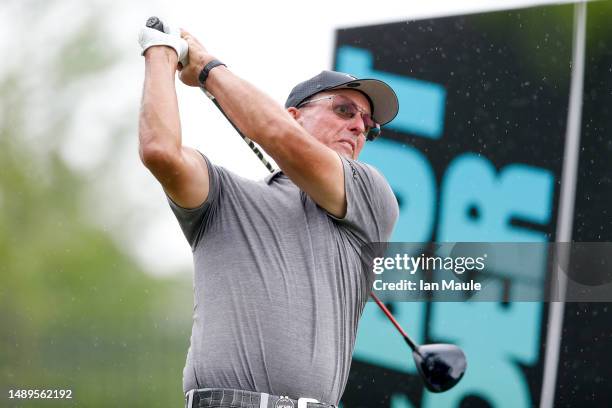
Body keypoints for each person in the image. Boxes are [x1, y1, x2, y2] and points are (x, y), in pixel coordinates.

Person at [138, 20, 399, 408]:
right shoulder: (223, 197)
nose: (359, 127)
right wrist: (160, 51)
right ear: (294, 116)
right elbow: (161, 152)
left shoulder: (370, 196)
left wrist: (208, 68)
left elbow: (276, 136)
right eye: (344, 110)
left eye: (369, 126)